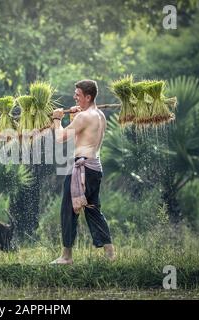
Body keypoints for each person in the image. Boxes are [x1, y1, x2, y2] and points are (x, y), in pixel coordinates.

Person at [51, 80, 115, 264]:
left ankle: (66, 256)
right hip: (94, 167)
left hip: (82, 169)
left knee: (68, 210)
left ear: (88, 97)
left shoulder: (85, 117)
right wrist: (73, 118)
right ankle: (110, 255)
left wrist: (57, 119)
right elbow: (83, 137)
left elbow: (60, 138)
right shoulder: (99, 115)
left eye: (78, 95)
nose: (74, 97)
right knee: (93, 210)